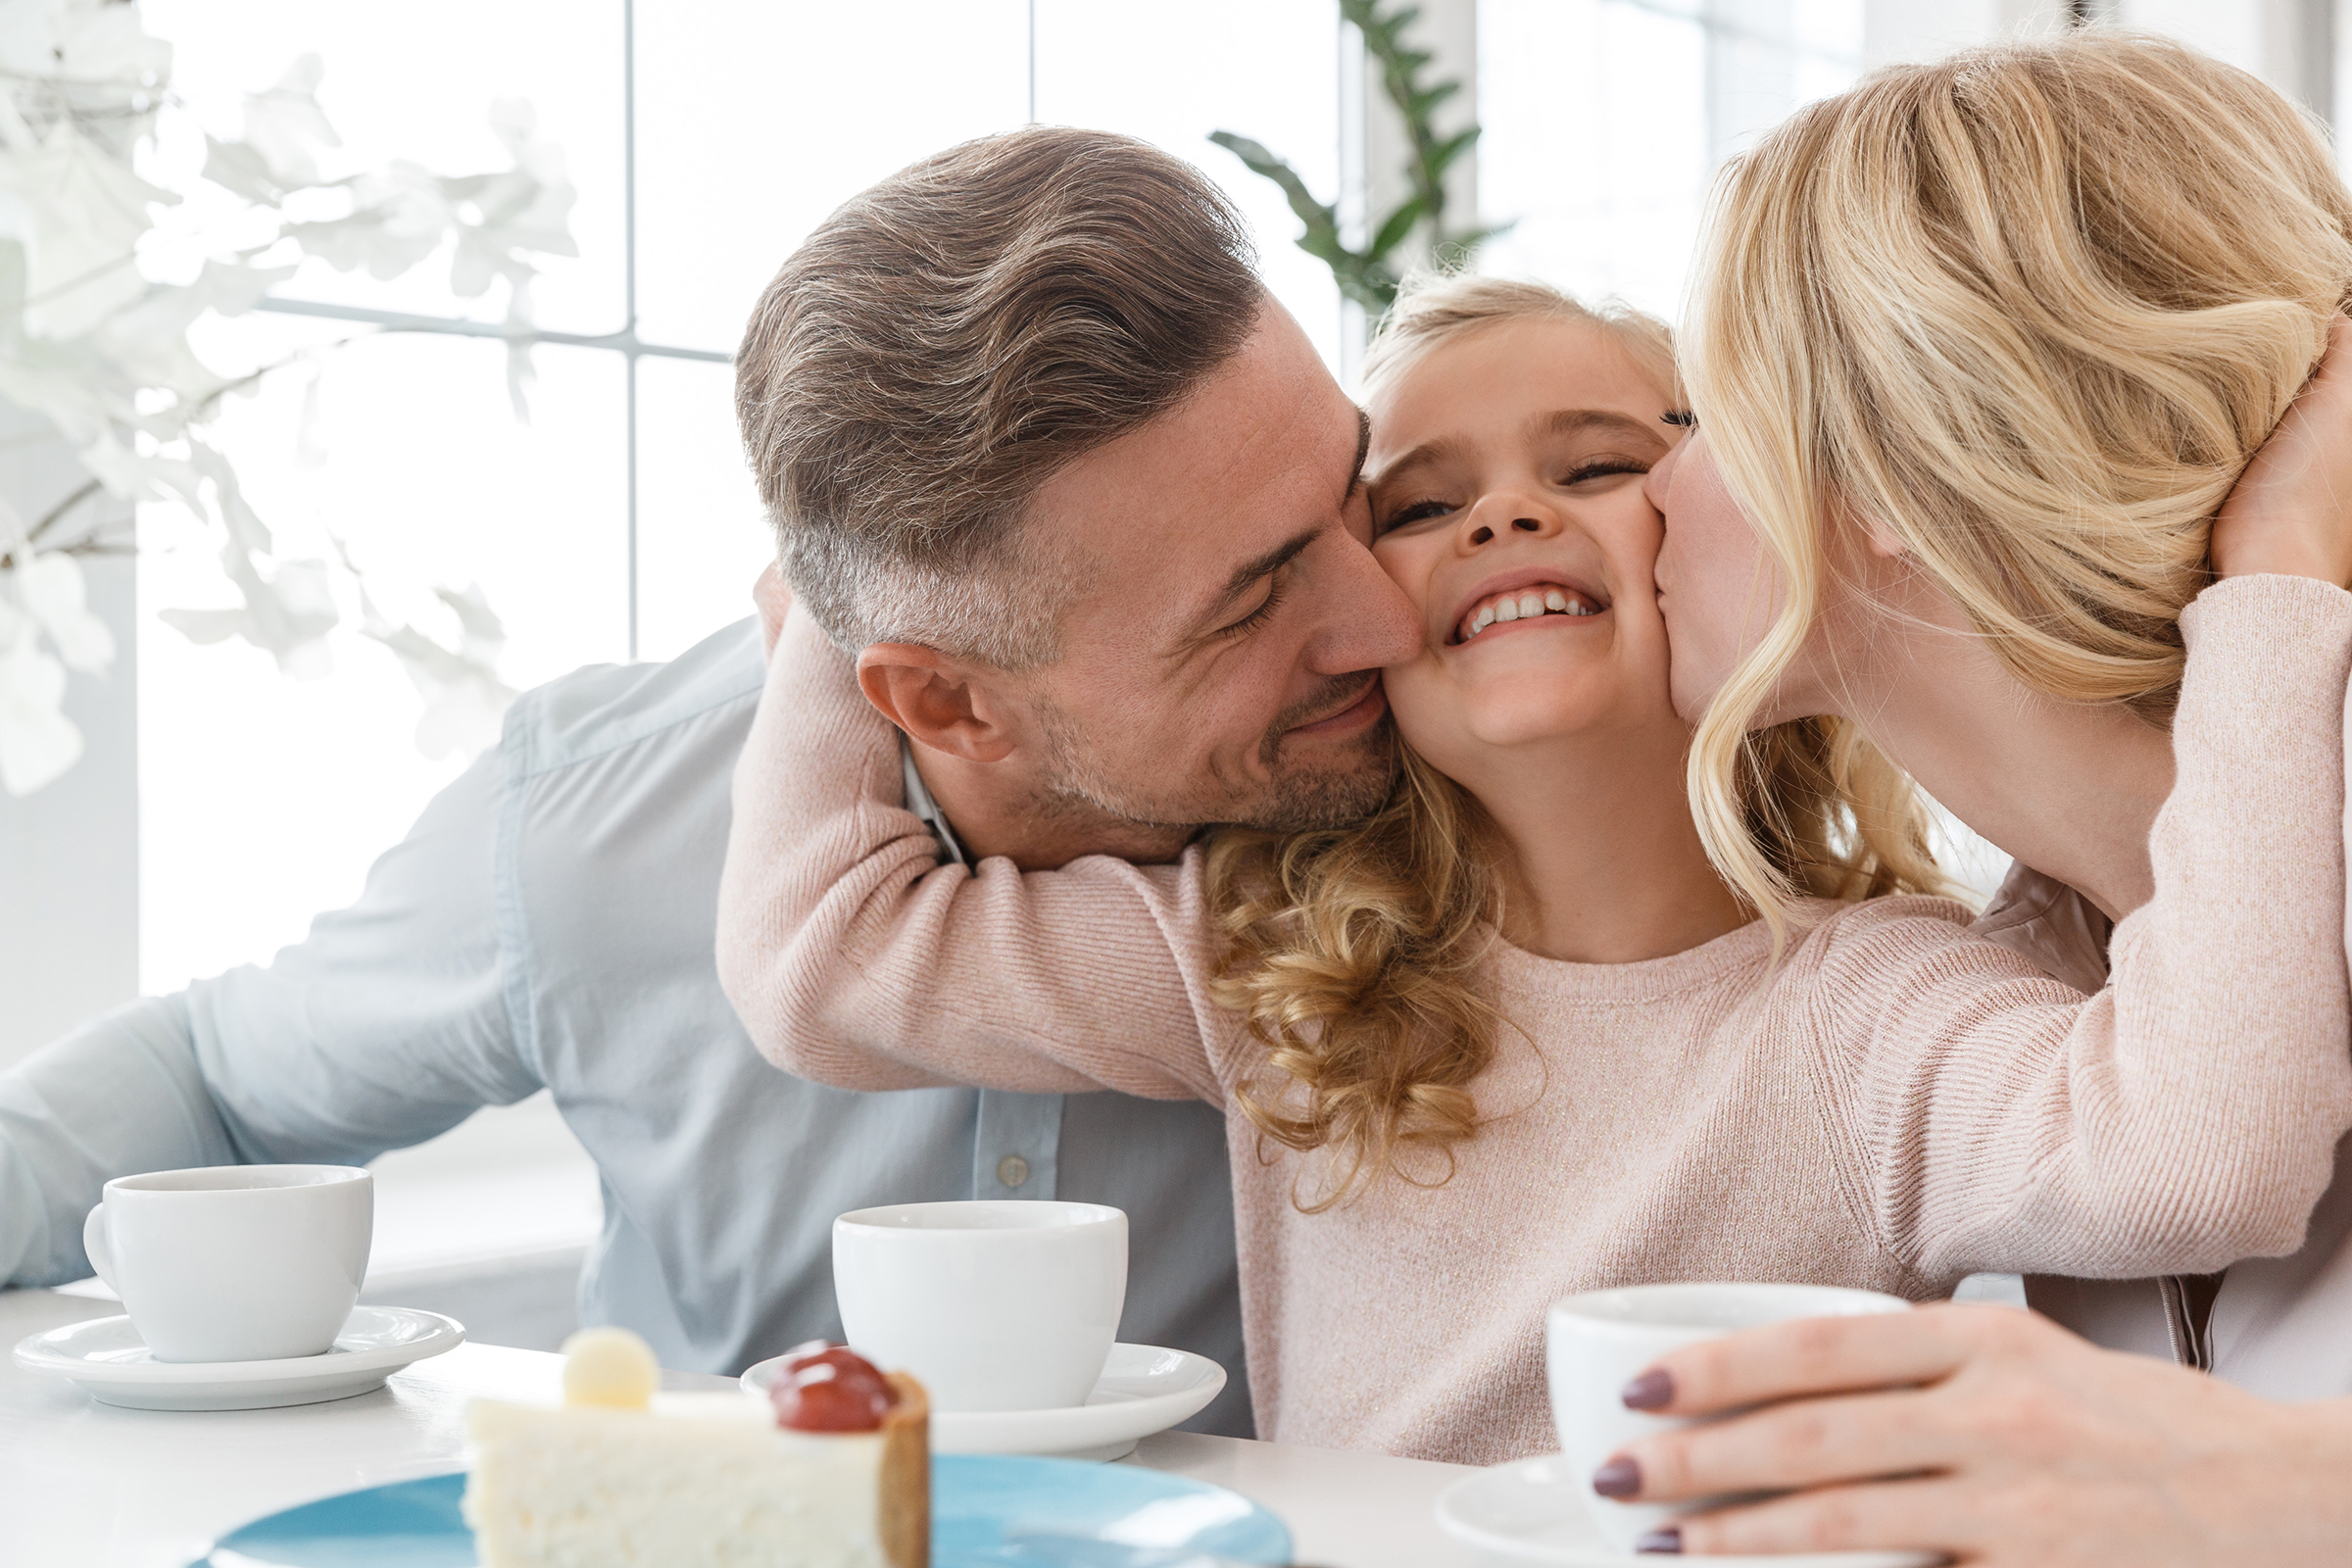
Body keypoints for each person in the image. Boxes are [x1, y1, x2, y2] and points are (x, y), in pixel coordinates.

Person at [713, 269, 2352, 1468]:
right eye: (1419, 503)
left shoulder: (1878, 1009)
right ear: (1353, 621)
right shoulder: (1274, 967)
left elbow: (2215, 1160)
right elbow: (822, 959)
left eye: (1593, 466)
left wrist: (2279, 592)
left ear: (1737, 528)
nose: (1507, 517)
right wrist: (843, 599)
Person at [0, 128, 1441, 1434]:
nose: (1386, 620)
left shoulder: (1460, 777)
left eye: (1352, 490)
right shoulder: (599, 827)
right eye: (1253, 603)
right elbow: (215, 1082)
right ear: (942, 698)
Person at [1598, 31, 2352, 1558]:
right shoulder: (2018, 988)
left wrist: (2287, 1495)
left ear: (1890, 471)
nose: (1649, 491)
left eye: (1700, 415)